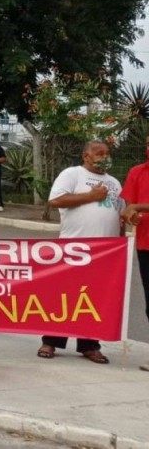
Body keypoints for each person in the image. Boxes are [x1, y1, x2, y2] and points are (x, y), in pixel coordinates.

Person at [37, 140, 124, 364]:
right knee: (64, 296)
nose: (104, 157)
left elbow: (120, 214)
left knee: (93, 299)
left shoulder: (114, 182)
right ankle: (51, 341)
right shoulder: (72, 174)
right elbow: (55, 200)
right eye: (99, 153)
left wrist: (120, 245)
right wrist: (91, 197)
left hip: (104, 252)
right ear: (86, 155)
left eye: (107, 153)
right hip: (74, 248)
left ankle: (89, 345)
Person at [119, 133, 149, 370]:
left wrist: (137, 207)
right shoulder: (137, 172)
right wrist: (130, 213)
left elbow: (135, 204)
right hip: (145, 244)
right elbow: (127, 204)